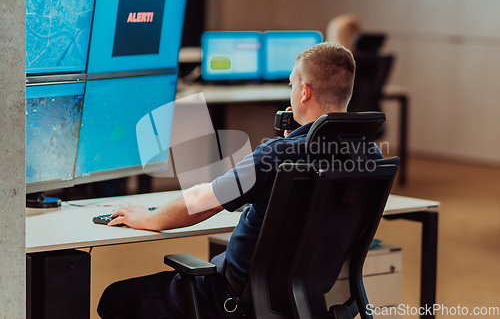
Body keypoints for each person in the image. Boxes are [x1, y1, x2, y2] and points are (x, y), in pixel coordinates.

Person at [97, 42, 383, 319]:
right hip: (309, 298)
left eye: (292, 85)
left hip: (234, 300)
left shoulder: (276, 155)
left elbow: (200, 202)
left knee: (116, 298)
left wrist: (150, 218)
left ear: (304, 92)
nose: (292, 92)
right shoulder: (369, 153)